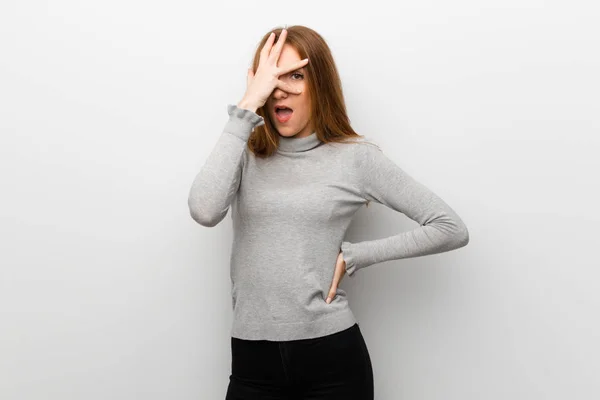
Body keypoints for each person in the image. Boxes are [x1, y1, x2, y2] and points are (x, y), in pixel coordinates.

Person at [188, 25, 469, 400]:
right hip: (252, 362)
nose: (281, 89)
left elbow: (449, 227)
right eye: (272, 77)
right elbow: (204, 210)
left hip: (331, 362)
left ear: (319, 83)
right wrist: (245, 108)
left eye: (296, 75)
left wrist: (358, 254)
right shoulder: (244, 153)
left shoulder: (355, 159)